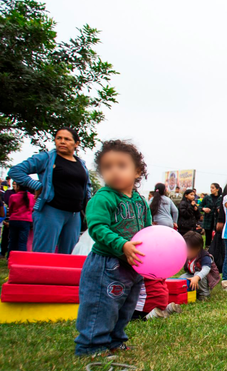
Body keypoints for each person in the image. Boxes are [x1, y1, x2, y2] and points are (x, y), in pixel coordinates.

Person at [74, 140, 151, 356]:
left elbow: (147, 232)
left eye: (121, 165)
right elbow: (97, 228)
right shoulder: (103, 198)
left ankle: (115, 340)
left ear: (137, 171)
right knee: (101, 306)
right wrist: (122, 244)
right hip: (106, 265)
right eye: (108, 167)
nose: (114, 171)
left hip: (132, 265)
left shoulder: (140, 201)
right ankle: (92, 345)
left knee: (126, 306)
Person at [9, 128, 91, 254]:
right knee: (43, 253)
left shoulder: (81, 164)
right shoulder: (46, 158)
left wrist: (90, 207)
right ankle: (38, 274)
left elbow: (87, 188)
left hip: (74, 215)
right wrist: (36, 185)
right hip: (50, 211)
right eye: (59, 138)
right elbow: (15, 171)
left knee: (69, 255)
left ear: (76, 143)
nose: (62, 142)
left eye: (67, 139)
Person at [180, 231, 220, 300]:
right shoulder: (186, 256)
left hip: (206, 277)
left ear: (197, 249)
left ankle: (204, 293)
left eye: (189, 250)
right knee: (182, 278)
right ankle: (190, 291)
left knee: (197, 273)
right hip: (192, 275)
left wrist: (197, 277)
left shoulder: (205, 256)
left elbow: (206, 269)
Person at [7, 183, 35, 254]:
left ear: (18, 187)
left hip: (14, 219)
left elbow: (11, 209)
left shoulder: (13, 196)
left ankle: (10, 257)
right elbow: (33, 210)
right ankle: (21, 258)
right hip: (26, 221)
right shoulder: (32, 197)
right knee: (22, 241)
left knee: (12, 240)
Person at [199, 183, 222, 249]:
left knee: (217, 237)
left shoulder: (221, 198)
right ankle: (207, 249)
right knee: (208, 237)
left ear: (217, 189)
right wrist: (204, 209)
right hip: (208, 220)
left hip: (218, 221)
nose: (211, 189)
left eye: (213, 188)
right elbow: (200, 206)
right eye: (210, 188)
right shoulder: (207, 198)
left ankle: (216, 250)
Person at [0, 181, 15, 257]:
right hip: (9, 218)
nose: (14, 186)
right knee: (6, 237)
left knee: (12, 238)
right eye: (13, 184)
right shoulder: (8, 193)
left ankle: (9, 255)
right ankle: (3, 252)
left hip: (14, 219)